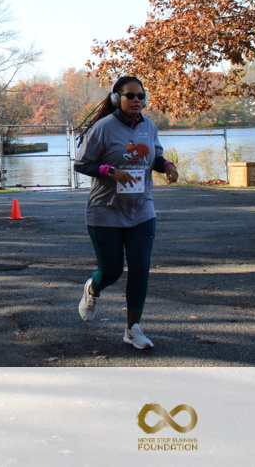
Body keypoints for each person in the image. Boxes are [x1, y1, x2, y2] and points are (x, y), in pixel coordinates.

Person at [72, 76, 179, 350]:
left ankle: (133, 329)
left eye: (141, 96)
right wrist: (110, 171)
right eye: (130, 95)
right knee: (111, 272)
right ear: (116, 98)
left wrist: (167, 165)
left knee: (140, 269)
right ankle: (92, 289)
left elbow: (155, 157)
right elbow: (82, 164)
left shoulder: (148, 126)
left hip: (141, 209)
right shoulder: (103, 128)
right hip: (105, 210)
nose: (136, 100)